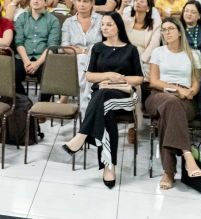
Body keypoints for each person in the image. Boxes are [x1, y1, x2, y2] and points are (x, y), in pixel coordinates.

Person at [60, 12, 143, 188]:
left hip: (124, 97)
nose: (104, 27)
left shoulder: (131, 49)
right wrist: (108, 75)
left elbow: (139, 78)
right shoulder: (97, 48)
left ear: (118, 27)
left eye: (109, 24)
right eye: (103, 24)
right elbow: (89, 76)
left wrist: (117, 79)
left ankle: (82, 135)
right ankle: (109, 167)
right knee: (106, 112)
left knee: (102, 97)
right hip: (103, 98)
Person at [146, 17, 201, 190]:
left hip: (185, 100)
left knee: (169, 113)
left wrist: (189, 92)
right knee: (170, 103)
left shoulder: (194, 54)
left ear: (179, 32)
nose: (167, 32)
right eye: (163, 29)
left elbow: (195, 85)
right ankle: (187, 153)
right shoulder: (158, 52)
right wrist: (177, 89)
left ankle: (169, 172)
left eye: (170, 28)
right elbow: (154, 81)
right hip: (159, 95)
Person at [13, 0, 62, 97]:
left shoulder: (53, 20)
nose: (35, 1)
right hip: (23, 57)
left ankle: (42, 106)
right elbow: (19, 42)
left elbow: (52, 46)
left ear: (45, 2)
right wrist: (26, 61)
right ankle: (25, 102)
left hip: (43, 58)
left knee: (48, 78)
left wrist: (37, 63)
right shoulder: (22, 18)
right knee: (11, 76)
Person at [60, 0, 102, 111]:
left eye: (85, 1)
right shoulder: (69, 22)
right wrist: (83, 51)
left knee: (84, 59)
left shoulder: (100, 20)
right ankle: (86, 103)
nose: (81, 4)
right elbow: (64, 46)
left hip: (97, 59)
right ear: (75, 2)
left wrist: (84, 51)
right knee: (82, 58)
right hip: (74, 60)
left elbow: (104, 43)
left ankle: (66, 95)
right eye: (79, 1)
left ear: (92, 3)